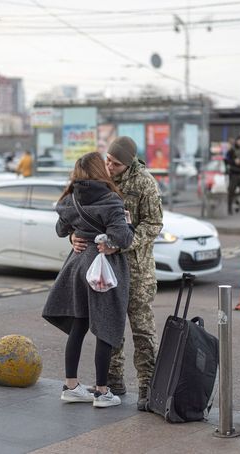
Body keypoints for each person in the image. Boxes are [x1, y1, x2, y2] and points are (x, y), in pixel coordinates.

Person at [72, 136, 164, 411]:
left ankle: (148, 388)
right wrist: (73, 237)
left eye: (116, 163)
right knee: (110, 327)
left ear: (129, 163)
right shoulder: (101, 178)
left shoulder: (145, 182)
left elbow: (154, 224)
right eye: (108, 160)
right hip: (108, 268)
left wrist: (123, 243)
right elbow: (82, 215)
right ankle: (111, 382)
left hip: (137, 270)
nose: (109, 166)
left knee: (143, 331)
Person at [42, 151, 134, 408]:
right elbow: (123, 238)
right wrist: (122, 230)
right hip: (101, 270)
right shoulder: (110, 200)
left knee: (79, 326)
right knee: (105, 327)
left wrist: (74, 233)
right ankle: (102, 392)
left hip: (77, 265)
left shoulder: (70, 198)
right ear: (99, 171)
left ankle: (71, 386)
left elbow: (61, 229)